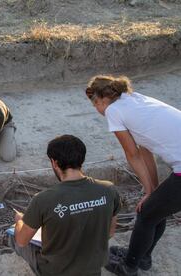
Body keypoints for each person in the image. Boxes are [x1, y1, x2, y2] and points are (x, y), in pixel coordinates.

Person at [86, 75, 181, 276]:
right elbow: (145, 150)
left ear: (102, 100)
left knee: (146, 214)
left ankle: (129, 266)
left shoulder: (113, 110)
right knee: (155, 209)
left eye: (95, 105)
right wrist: (151, 190)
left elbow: (132, 153)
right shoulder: (134, 99)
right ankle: (142, 257)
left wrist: (148, 192)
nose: (96, 110)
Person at [10, 135, 121, 276]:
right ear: (82, 159)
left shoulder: (43, 200)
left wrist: (19, 220)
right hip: (92, 267)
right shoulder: (109, 190)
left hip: (55, 271)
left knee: (14, 236)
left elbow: (21, 241)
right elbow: (110, 233)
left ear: (54, 163)